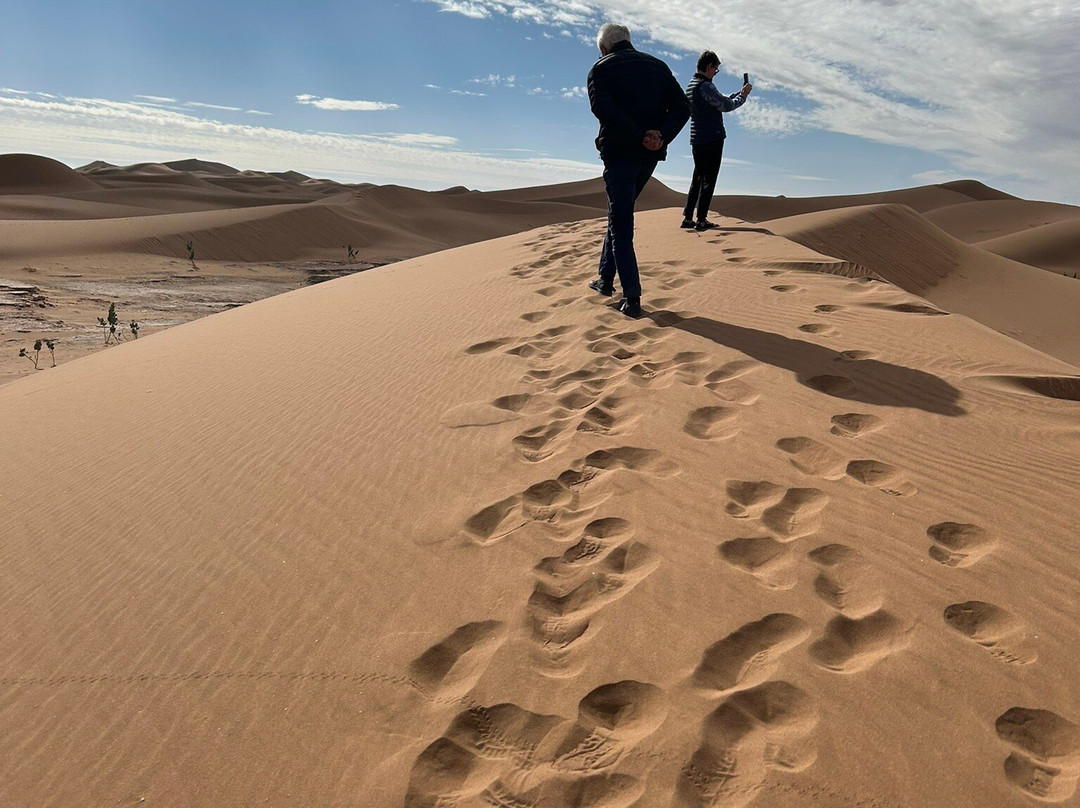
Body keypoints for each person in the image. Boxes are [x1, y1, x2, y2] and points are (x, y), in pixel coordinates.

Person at [587, 23, 690, 318]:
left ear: (603, 47)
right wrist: (659, 135)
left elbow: (602, 109)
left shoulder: (600, 69)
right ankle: (605, 279)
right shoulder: (658, 66)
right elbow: (683, 108)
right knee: (619, 211)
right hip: (648, 155)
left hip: (620, 153)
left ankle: (631, 297)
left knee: (621, 220)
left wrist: (638, 135)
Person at [681, 51, 752, 231]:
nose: (715, 73)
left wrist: (737, 93)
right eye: (716, 69)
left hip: (697, 138)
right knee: (709, 179)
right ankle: (701, 219)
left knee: (698, 177)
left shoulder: (692, 85)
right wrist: (743, 97)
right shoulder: (705, 86)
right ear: (709, 66)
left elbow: (718, 101)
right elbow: (725, 105)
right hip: (711, 137)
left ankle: (688, 217)